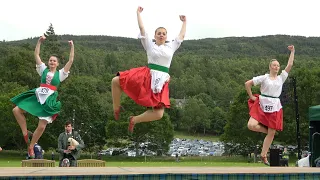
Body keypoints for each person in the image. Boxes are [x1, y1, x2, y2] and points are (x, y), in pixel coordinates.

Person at [111, 6, 186, 133]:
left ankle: (134, 120)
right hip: (147, 76)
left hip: (161, 81)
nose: (161, 35)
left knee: (158, 114)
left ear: (166, 36)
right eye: (159, 33)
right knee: (115, 81)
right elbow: (142, 28)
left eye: (164, 33)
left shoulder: (171, 46)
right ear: (155, 36)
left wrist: (184, 22)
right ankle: (116, 108)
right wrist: (138, 13)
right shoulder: (150, 44)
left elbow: (181, 35)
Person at [11, 35, 75, 158]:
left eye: (54, 61)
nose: (52, 62)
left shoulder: (61, 74)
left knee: (41, 126)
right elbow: (36, 55)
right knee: (16, 110)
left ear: (57, 63)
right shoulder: (43, 69)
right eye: (50, 60)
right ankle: (25, 132)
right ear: (48, 62)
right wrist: (39, 42)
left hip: (49, 99)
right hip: (38, 95)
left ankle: (31, 146)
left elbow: (70, 60)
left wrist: (72, 46)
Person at [245, 45, 295, 166]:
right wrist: (251, 96)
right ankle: (268, 131)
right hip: (262, 103)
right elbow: (247, 83)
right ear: (270, 67)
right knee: (251, 125)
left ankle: (263, 155)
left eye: (278, 65)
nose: (276, 67)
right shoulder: (264, 77)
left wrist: (292, 51)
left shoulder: (281, 78)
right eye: (274, 65)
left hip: (275, 106)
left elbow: (289, 66)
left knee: (272, 132)